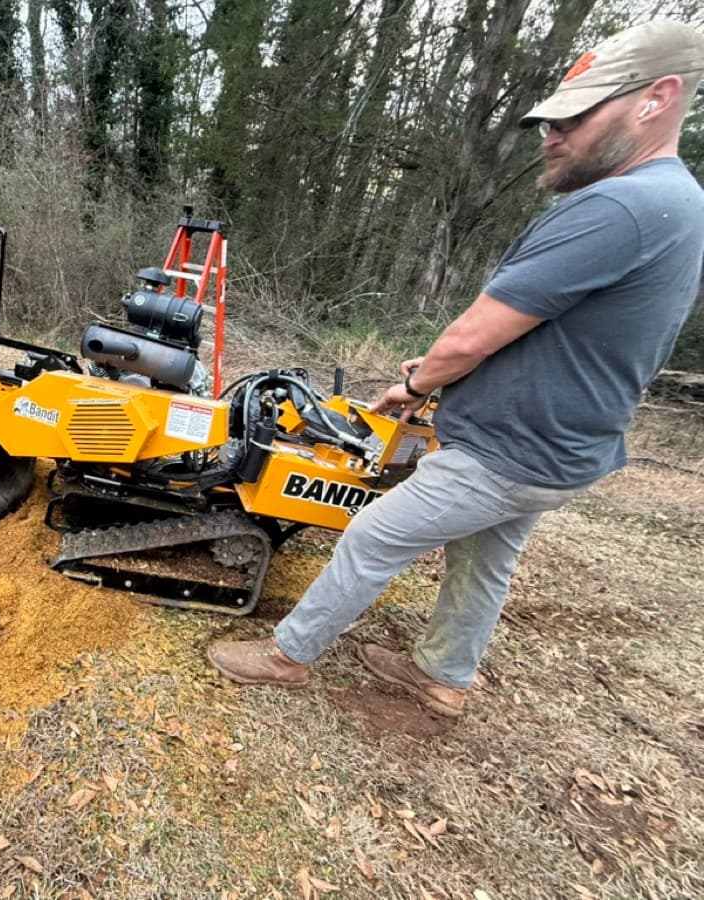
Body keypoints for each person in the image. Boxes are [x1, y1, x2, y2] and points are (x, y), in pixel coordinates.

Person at [206, 20, 704, 717]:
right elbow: (571, 335)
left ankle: (287, 657)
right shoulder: (680, 203)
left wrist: (418, 383)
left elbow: (476, 332)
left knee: (375, 534)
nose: (550, 135)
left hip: (511, 448)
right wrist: (450, 373)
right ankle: (443, 676)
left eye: (574, 117)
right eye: (548, 121)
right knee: (485, 561)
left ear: (656, 100)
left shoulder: (620, 205)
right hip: (566, 449)